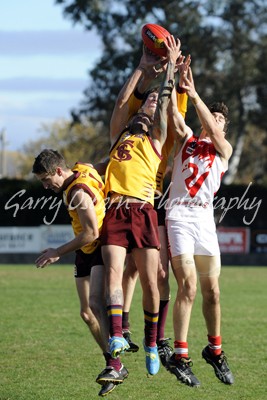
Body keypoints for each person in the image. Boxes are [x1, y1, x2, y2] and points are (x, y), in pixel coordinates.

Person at [96, 35, 182, 382]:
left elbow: (164, 106)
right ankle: (117, 333)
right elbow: (121, 102)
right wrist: (142, 68)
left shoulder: (157, 139)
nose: (147, 108)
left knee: (151, 282)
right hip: (114, 211)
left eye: (151, 107)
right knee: (114, 275)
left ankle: (149, 343)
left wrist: (171, 69)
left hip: (144, 211)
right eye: (143, 105)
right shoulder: (119, 134)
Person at [32, 150, 127, 397]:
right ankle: (114, 360)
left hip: (96, 247)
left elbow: (91, 233)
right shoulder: (82, 168)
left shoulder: (78, 193)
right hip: (84, 250)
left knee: (96, 304)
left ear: (60, 171)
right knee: (86, 313)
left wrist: (57, 252)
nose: (44, 186)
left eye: (46, 179)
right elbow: (106, 164)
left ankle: (115, 363)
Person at [165, 63, 234, 386]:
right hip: (179, 216)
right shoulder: (188, 139)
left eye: (220, 120)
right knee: (189, 287)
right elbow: (172, 117)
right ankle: (181, 356)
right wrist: (173, 79)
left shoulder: (224, 151)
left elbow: (217, 133)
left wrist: (194, 95)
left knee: (214, 293)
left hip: (205, 220)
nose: (214, 122)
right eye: (212, 118)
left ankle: (215, 351)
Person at [121, 62, 190, 366]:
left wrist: (177, 78)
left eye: (156, 98)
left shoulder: (163, 133)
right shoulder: (130, 129)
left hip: (157, 202)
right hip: (126, 201)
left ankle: (158, 338)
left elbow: (174, 105)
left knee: (160, 275)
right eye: (148, 98)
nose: (153, 100)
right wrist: (145, 68)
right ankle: (123, 326)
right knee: (128, 269)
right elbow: (127, 99)